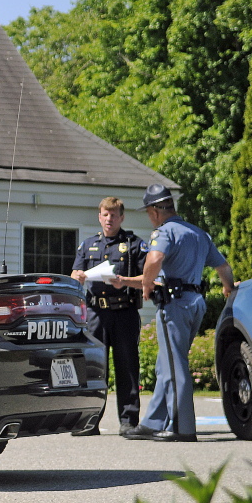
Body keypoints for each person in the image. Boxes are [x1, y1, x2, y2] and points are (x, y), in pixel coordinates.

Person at [121, 184, 235, 442]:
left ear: (154, 211)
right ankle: (153, 422)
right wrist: (228, 288)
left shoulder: (164, 232)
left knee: (175, 366)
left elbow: (154, 258)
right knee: (167, 363)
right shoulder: (199, 233)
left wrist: (148, 284)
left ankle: (182, 427)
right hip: (195, 303)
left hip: (174, 304)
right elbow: (223, 267)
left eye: (149, 212)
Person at [70, 197, 146, 436]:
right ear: (99, 216)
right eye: (105, 214)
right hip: (96, 313)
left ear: (122, 217)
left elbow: (148, 278)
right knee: (94, 368)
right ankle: (89, 421)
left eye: (114, 215)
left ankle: (128, 422)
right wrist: (79, 276)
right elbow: (74, 274)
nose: (109, 219)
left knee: (127, 367)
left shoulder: (134, 244)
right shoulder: (88, 244)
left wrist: (124, 281)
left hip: (124, 312)